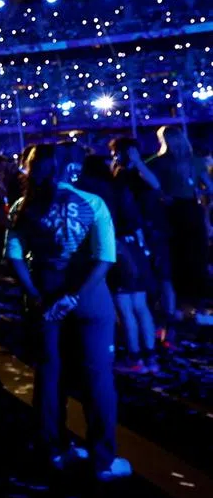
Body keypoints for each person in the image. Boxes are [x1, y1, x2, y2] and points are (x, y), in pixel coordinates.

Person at [5, 143, 130, 481]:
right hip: (89, 298)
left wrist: (36, 295)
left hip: (43, 297)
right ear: (66, 168)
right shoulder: (92, 203)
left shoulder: (22, 207)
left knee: (49, 375)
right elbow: (104, 257)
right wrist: (73, 297)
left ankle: (53, 450)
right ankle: (103, 460)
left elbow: (13, 256)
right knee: (98, 376)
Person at [77, 154, 157, 374]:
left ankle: (135, 358)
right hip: (133, 247)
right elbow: (135, 218)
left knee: (124, 309)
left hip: (114, 248)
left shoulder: (88, 191)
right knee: (141, 306)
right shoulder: (119, 186)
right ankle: (151, 358)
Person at [110, 136, 176, 333]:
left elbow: (155, 185)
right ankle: (157, 323)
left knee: (162, 276)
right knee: (146, 280)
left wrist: (137, 162)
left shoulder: (141, 171)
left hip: (151, 229)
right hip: (138, 230)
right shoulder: (120, 173)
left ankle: (166, 322)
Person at [146, 126, 210, 302]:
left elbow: (150, 180)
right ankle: (199, 294)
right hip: (192, 208)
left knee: (176, 253)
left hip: (172, 210)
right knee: (197, 252)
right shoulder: (195, 160)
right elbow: (209, 187)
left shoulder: (160, 161)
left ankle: (180, 298)